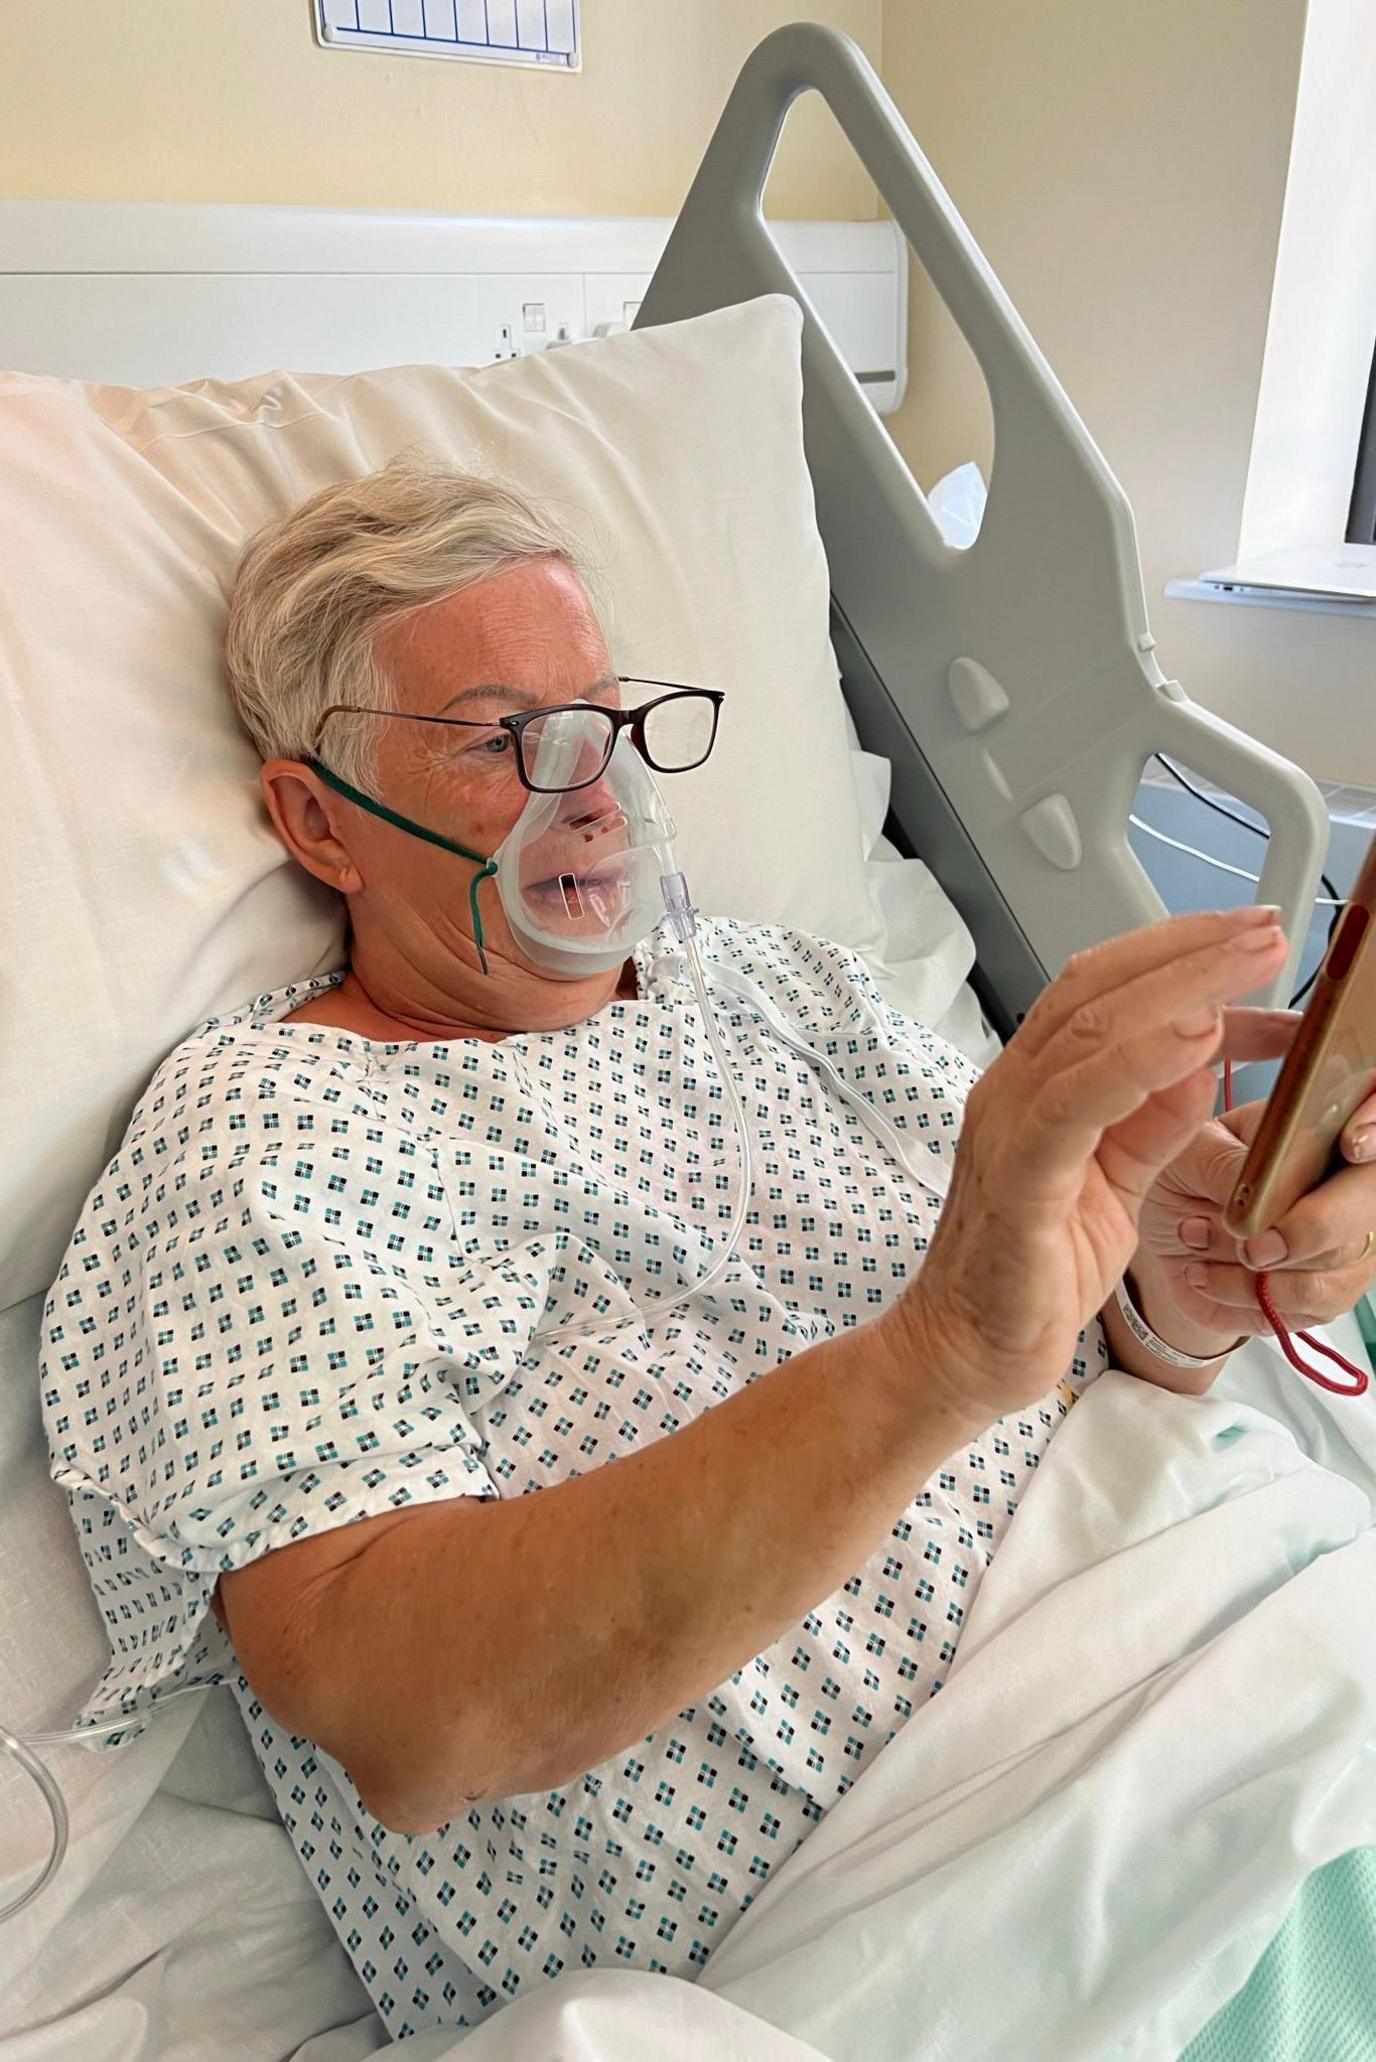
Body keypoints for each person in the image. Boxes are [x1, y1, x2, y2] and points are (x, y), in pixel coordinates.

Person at [40, 458, 1376, 2042]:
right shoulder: (265, 1126)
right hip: (945, 1896)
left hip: (1220, 1626)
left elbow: (1072, 1331)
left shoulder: (778, 990)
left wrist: (1177, 1276)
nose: (597, 787)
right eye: (501, 738)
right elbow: (405, 1711)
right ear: (320, 821)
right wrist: (934, 1357)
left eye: (608, 720)